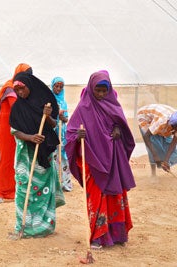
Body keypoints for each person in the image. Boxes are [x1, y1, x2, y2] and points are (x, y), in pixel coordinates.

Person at [65, 70, 136, 249]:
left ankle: (117, 234)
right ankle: (98, 236)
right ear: (91, 88)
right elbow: (70, 132)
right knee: (96, 197)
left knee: (114, 196)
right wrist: (77, 135)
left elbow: (123, 128)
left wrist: (119, 130)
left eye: (104, 91)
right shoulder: (83, 108)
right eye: (98, 91)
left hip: (112, 160)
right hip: (93, 161)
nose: (101, 94)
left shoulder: (113, 106)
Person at [8, 71, 65, 238]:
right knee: (23, 190)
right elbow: (15, 131)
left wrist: (47, 116)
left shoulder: (44, 103)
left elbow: (54, 124)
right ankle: (22, 226)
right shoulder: (17, 107)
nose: (20, 93)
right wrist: (30, 137)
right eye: (17, 90)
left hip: (43, 154)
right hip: (25, 156)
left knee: (43, 191)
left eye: (22, 89)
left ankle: (43, 227)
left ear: (30, 86)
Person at [0, 63, 33, 204]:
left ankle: (11, 191)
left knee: (14, 159)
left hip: (14, 127)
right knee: (6, 159)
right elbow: (16, 107)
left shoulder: (18, 88)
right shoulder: (10, 88)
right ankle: (2, 192)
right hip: (6, 128)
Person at [137, 104, 177, 176]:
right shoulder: (162, 121)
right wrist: (155, 155)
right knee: (154, 144)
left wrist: (166, 161)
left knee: (169, 146)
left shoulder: (174, 122)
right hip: (145, 118)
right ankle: (153, 174)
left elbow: (173, 143)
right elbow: (146, 137)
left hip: (161, 119)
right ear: (173, 126)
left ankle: (163, 162)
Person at [50, 76, 72, 192]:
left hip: (62, 134)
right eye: (56, 86)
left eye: (60, 87)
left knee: (63, 158)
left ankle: (66, 184)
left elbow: (66, 119)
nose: (58, 89)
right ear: (52, 86)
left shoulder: (64, 102)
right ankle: (54, 184)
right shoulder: (49, 100)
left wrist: (63, 117)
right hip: (52, 133)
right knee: (53, 157)